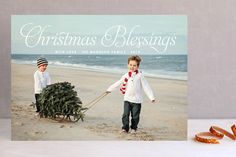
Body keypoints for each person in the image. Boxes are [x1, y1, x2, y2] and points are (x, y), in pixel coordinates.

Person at [106, 55, 155, 134]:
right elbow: (118, 82)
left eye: (134, 65)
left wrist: (151, 97)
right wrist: (109, 89)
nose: (132, 67)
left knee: (135, 116)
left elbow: (146, 87)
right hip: (127, 99)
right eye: (130, 65)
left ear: (138, 66)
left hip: (137, 100)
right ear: (128, 65)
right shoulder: (126, 75)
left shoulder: (140, 76)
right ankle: (125, 128)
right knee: (125, 115)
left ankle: (134, 128)